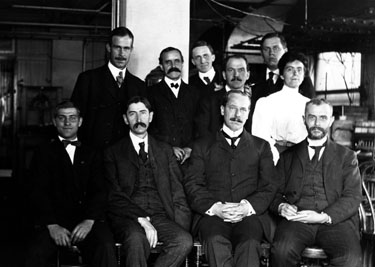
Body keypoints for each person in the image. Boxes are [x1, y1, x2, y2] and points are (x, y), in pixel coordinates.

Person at [184, 90, 277, 267]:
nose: (237, 115)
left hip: (249, 216)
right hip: (212, 215)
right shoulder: (202, 145)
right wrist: (216, 208)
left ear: (248, 113)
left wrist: (246, 207)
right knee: (214, 241)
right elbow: (193, 184)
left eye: (243, 110)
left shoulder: (261, 146)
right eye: (232, 108)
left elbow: (269, 186)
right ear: (222, 110)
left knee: (249, 244)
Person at [270, 98, 362, 267]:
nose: (317, 123)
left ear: (331, 120)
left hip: (335, 221)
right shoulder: (287, 157)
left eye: (323, 118)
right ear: (304, 119)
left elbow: (353, 197)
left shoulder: (347, 157)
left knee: (350, 259)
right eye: (312, 117)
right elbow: (273, 193)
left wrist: (323, 216)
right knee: (281, 252)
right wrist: (281, 206)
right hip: (297, 221)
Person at [25, 101, 117, 267]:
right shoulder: (43, 152)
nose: (67, 123)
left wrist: (89, 221)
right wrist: (52, 225)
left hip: (87, 220)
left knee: (105, 246)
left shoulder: (93, 152)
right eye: (62, 118)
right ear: (54, 121)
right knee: (37, 252)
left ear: (80, 122)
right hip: (54, 221)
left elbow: (100, 190)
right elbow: (37, 192)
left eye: (72, 118)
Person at [104, 96, 193, 267]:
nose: (139, 119)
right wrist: (141, 218)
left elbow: (177, 192)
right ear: (125, 119)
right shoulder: (113, 152)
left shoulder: (165, 150)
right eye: (132, 114)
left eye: (143, 113)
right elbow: (113, 195)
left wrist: (180, 224)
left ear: (151, 117)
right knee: (137, 240)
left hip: (160, 216)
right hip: (128, 217)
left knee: (183, 241)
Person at [71, 26, 146, 149]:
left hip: (126, 156)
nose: (122, 54)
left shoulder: (139, 85)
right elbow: (74, 118)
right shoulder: (88, 79)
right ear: (108, 48)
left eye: (126, 48)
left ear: (131, 50)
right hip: (93, 155)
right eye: (117, 47)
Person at [252, 51, 311, 164]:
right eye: (290, 69)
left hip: (301, 159)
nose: (295, 73)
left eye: (299, 70)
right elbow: (260, 137)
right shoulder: (267, 102)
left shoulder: (309, 104)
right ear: (282, 74)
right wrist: (277, 156)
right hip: (274, 157)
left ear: (304, 75)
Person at [148, 47, 200, 165]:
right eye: (168, 62)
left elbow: (199, 126)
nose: (173, 65)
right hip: (161, 159)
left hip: (190, 159)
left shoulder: (194, 93)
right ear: (161, 66)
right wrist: (168, 148)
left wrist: (190, 148)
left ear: (182, 63)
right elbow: (149, 129)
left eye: (177, 61)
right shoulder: (150, 93)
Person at [251, 32, 315, 111]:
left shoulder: (300, 78)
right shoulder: (252, 75)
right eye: (266, 49)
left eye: (276, 48)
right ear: (261, 53)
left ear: (285, 50)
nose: (271, 53)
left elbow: (310, 107)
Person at [196, 55, 251, 138]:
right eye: (231, 70)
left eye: (241, 70)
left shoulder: (256, 102)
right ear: (224, 75)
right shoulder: (208, 101)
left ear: (247, 75)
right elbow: (202, 135)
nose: (236, 74)